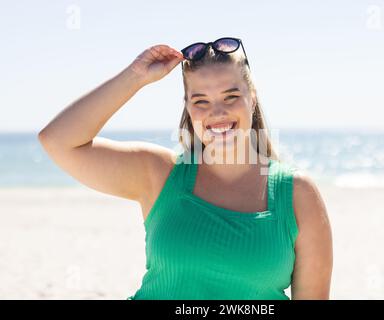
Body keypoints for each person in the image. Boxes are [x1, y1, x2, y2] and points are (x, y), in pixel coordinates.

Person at [38, 37, 333, 300]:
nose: (216, 113)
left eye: (231, 96)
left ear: (252, 99)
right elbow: (58, 141)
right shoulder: (160, 174)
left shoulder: (295, 193)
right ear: (188, 108)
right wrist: (135, 77)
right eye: (200, 100)